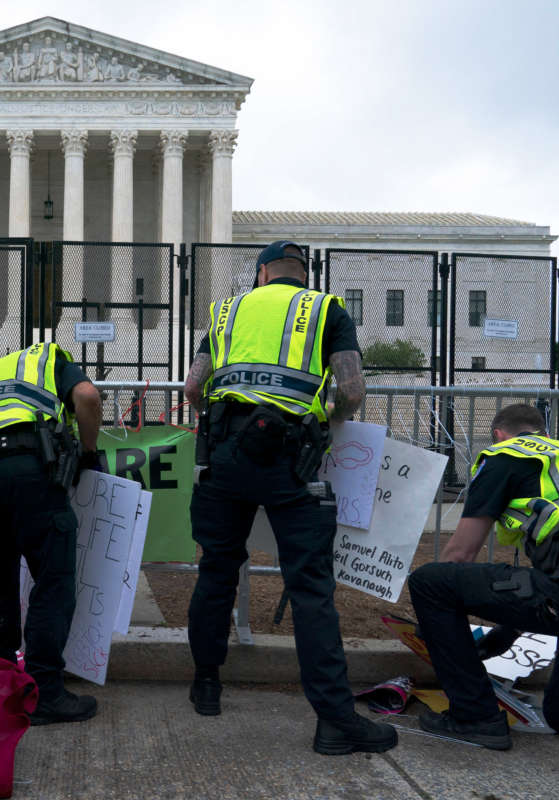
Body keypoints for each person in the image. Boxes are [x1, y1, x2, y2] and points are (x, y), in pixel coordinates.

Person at [183, 240, 397, 755]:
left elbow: (193, 387)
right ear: (303, 274)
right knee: (311, 589)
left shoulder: (226, 309)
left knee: (216, 570)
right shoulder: (327, 309)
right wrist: (324, 425)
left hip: (227, 455)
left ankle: (206, 685)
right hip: (291, 458)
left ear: (261, 273)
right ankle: (334, 721)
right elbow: (350, 391)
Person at [408, 403, 559, 749]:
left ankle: (475, 717)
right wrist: (509, 630)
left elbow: (460, 555)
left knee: (430, 582)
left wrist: (431, 629)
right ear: (545, 433)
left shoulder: (503, 454)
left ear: (498, 435)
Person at [0, 342, 103, 725]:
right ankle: (45, 692)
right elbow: (88, 397)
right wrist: (89, 454)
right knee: (52, 581)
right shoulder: (45, 358)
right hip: (32, 470)